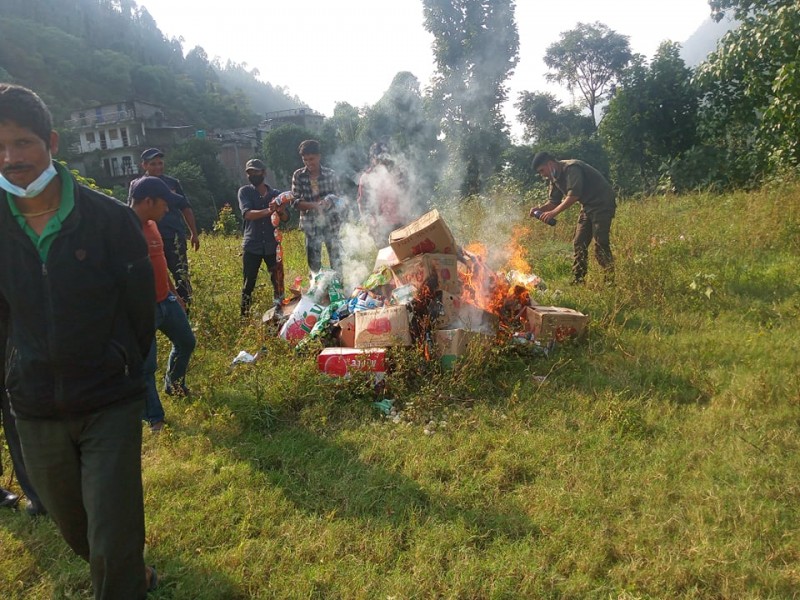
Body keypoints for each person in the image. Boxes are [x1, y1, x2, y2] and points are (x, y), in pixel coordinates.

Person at [0, 84, 157, 598]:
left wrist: (121, 363)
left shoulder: (108, 219)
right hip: (35, 405)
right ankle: (126, 568)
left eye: (22, 142)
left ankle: (123, 575)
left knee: (112, 533)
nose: (10, 158)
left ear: (51, 142)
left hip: (107, 397)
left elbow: (140, 311)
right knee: (75, 526)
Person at [129, 176, 197, 430]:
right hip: (140, 309)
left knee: (186, 341)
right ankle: (153, 417)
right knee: (146, 366)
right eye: (164, 203)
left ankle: (174, 385)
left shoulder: (152, 225)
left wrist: (174, 293)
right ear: (148, 201)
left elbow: (160, 262)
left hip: (165, 300)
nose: (168, 209)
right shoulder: (121, 229)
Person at [530, 151, 616, 284]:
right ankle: (578, 279)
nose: (542, 175)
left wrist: (553, 213)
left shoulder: (571, 168)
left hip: (602, 204)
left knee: (601, 242)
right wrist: (540, 210)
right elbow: (553, 202)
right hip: (587, 206)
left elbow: (574, 196)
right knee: (579, 242)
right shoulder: (554, 177)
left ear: (550, 164)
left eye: (542, 170)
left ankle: (609, 281)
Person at [129, 147, 200, 310]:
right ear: (144, 165)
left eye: (160, 163)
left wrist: (194, 233)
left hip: (173, 236)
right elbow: (132, 210)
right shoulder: (137, 185)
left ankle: (186, 311)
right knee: (154, 276)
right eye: (153, 164)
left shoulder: (172, 183)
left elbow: (185, 207)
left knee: (181, 276)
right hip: (150, 239)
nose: (158, 167)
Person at [237, 158, 289, 318]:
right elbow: (247, 214)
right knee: (248, 283)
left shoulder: (275, 194)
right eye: (250, 173)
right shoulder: (245, 192)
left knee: (278, 282)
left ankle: (280, 315)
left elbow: (286, 218)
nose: (253, 175)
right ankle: (244, 317)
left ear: (264, 173)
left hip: (273, 246)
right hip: (252, 245)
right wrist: (270, 210)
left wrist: (280, 210)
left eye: (256, 172)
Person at [291, 139, 345, 277]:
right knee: (314, 263)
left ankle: (339, 286)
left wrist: (329, 201)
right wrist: (314, 206)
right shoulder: (298, 175)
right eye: (305, 160)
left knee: (336, 260)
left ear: (319, 156)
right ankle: (317, 287)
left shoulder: (330, 174)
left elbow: (340, 199)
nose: (309, 163)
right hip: (310, 226)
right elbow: (295, 201)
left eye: (311, 159)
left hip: (331, 224)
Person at [356, 141, 409, 246]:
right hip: (380, 227)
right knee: (387, 255)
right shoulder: (366, 178)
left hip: (401, 223)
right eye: (379, 158)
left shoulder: (397, 172)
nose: (383, 161)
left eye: (385, 157)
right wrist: (370, 224)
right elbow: (362, 204)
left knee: (407, 253)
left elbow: (407, 194)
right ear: (373, 159)